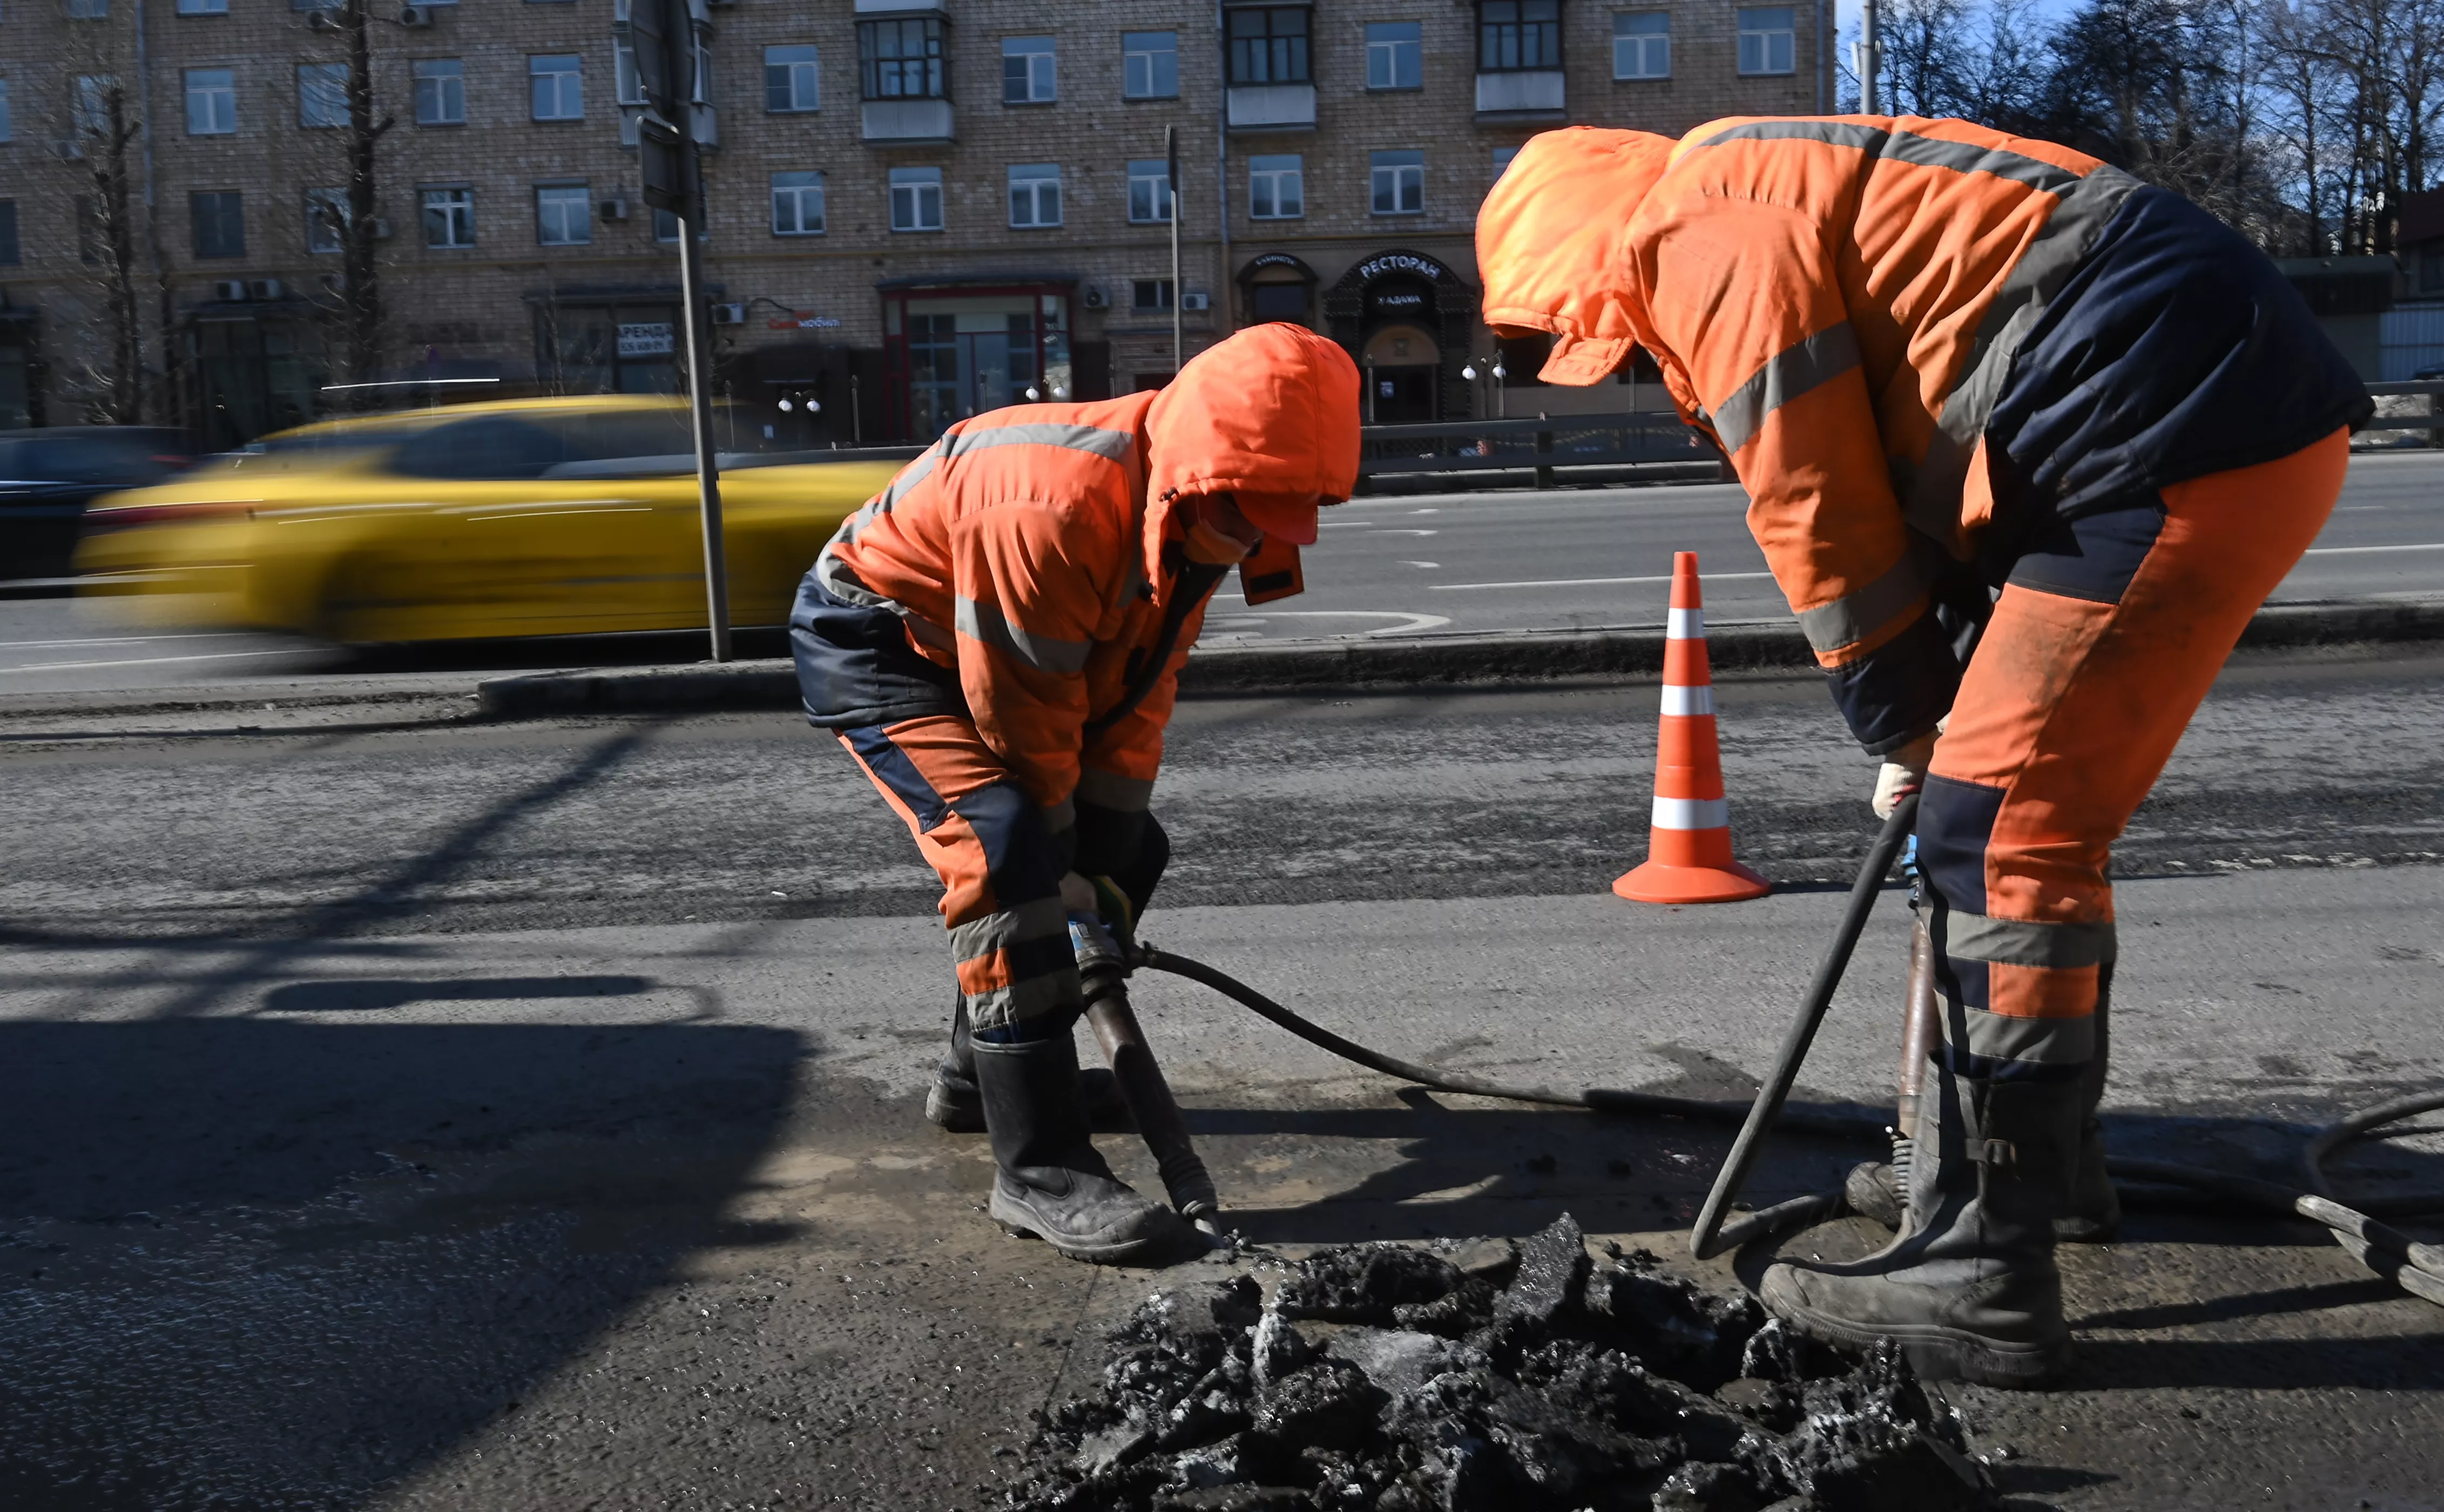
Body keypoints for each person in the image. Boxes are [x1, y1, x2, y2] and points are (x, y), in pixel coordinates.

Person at [1477, 119, 2368, 1386]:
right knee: (2012, 824)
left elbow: (1812, 496)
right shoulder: (1769, 181)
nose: (1618, 363)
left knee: (1995, 833)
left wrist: (1901, 715)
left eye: (1593, 336)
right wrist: (1926, 699)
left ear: (1573, 252)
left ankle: (1984, 1266)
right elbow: (1927, 427)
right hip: (2171, 425)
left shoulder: (1693, 220)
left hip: (2162, 433)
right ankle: (2035, 1179)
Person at [790, 323, 1361, 1265]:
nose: (1250, 537)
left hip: (1004, 653)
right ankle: (1039, 1167)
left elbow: (1139, 689)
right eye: (1240, 512)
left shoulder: (1202, 506)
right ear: (1193, 465)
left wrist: (1102, 855)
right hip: (885, 639)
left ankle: (983, 1080)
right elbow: (1025, 713)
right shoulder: (1050, 499)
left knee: (1129, 851)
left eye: (1274, 518)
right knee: (1005, 848)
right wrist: (1059, 870)